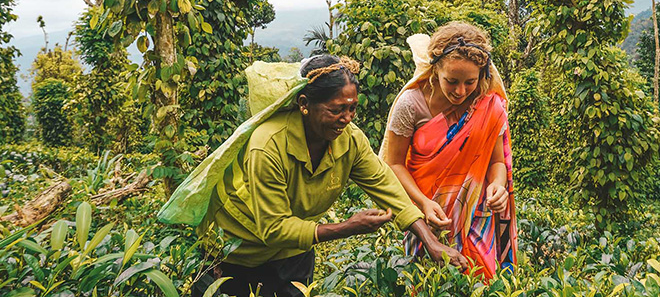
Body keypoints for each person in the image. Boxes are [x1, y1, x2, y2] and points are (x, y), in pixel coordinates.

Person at [185, 55, 467, 297]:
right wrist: (347, 227)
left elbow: (385, 185)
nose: (346, 118)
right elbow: (272, 228)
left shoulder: (349, 139)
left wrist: (431, 241)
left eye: (352, 108)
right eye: (336, 110)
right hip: (238, 249)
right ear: (305, 104)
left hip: (294, 249)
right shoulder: (268, 144)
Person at [381, 22, 517, 279]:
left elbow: (496, 162)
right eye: (451, 81)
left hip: (476, 215)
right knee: (425, 282)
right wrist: (423, 202)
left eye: (470, 82)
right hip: (426, 216)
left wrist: (498, 185)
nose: (461, 91)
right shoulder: (411, 105)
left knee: (479, 283)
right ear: (435, 70)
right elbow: (394, 163)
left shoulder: (489, 105)